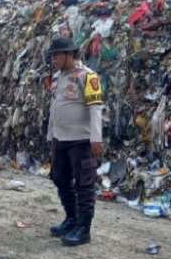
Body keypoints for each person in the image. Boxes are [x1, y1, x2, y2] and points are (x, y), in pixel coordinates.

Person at [45, 37, 105, 246]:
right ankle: (71, 219)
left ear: (69, 54)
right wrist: (50, 133)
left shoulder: (87, 76)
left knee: (84, 185)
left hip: (81, 140)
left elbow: (96, 108)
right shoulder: (57, 78)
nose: (53, 59)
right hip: (61, 139)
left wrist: (96, 138)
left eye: (57, 55)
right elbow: (55, 106)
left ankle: (84, 228)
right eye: (52, 55)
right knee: (60, 179)